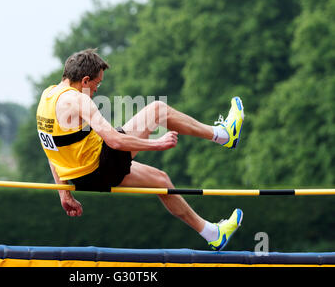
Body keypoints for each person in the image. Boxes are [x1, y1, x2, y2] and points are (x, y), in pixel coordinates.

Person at [36, 48, 244, 251]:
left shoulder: (47, 97)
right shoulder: (78, 99)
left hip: (85, 175)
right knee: (157, 111)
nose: (97, 89)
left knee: (160, 180)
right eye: (97, 83)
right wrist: (157, 144)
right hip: (100, 165)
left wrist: (64, 194)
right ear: (85, 81)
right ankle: (224, 134)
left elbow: (51, 150)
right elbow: (115, 141)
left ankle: (213, 234)